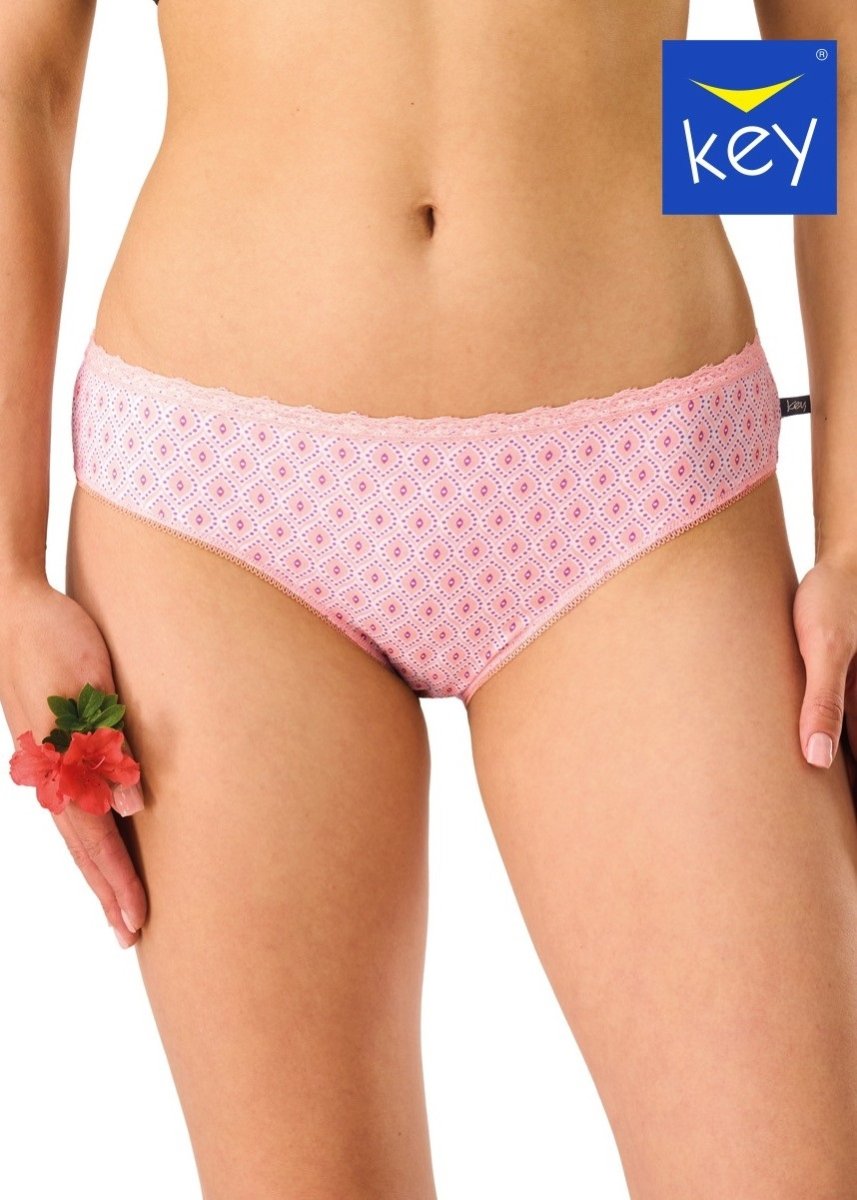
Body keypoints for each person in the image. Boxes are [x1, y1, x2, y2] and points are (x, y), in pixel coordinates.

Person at [2, 1, 856, 1196]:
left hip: (645, 486)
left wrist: (849, 529)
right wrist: (6, 569)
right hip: (214, 504)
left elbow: (823, 66)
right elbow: (23, 75)